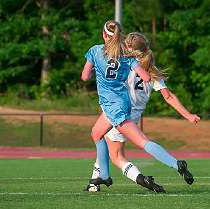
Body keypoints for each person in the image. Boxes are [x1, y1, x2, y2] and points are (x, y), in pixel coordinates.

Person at [81, 21, 197, 193]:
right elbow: (169, 96)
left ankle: (125, 179)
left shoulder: (123, 61)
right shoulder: (152, 69)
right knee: (99, 134)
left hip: (119, 111)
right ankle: (97, 180)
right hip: (131, 113)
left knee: (117, 155)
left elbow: (102, 74)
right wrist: (188, 115)